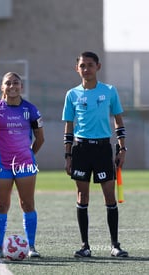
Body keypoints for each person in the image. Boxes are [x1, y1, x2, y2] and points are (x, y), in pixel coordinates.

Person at [62, 51, 128, 258]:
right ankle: (85, 246)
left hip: (102, 149)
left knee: (109, 195)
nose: (86, 69)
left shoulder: (109, 91)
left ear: (98, 67)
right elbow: (69, 126)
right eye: (82, 65)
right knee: (83, 196)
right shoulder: (72, 94)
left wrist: (122, 148)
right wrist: (68, 155)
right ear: (77, 68)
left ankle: (115, 245)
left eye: (90, 65)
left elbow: (118, 120)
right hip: (81, 150)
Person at [0, 72, 44, 258]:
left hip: (25, 165)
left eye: (16, 83)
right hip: (2, 164)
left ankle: (31, 247)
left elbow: (40, 138)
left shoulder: (31, 109)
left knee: (27, 204)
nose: (12, 86)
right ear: (2, 87)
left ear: (21, 87)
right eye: (8, 83)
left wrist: (28, 155)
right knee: (1, 206)